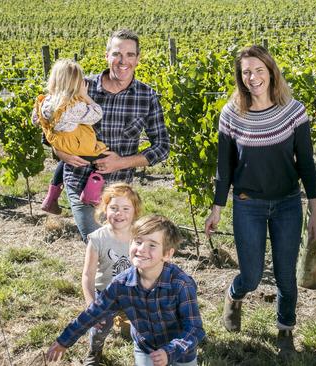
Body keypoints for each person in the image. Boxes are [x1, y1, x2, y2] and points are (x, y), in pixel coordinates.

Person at [203, 45, 316, 357]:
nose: (253, 77)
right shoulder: (231, 114)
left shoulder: (293, 112)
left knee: (286, 276)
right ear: (240, 78)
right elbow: (224, 166)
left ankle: (285, 331)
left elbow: (307, 164)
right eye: (246, 72)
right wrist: (217, 207)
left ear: (271, 71)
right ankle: (235, 293)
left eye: (258, 70)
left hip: (286, 204)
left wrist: (315, 210)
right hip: (248, 204)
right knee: (253, 275)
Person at [54, 29, 169, 240]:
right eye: (116, 54)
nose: (122, 61)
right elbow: (52, 124)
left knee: (119, 254)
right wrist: (59, 152)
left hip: (120, 192)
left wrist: (121, 163)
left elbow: (162, 147)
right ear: (107, 56)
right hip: (80, 183)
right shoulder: (83, 88)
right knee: (97, 247)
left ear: (137, 59)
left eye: (130, 55)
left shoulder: (147, 96)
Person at [46, 215, 205, 366]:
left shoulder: (180, 284)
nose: (141, 249)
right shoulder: (121, 284)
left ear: (167, 254)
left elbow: (194, 328)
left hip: (180, 349)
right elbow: (94, 312)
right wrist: (64, 340)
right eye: (138, 241)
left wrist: (169, 351)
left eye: (152, 245)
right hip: (146, 346)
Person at [32, 59, 108, 214]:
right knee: (102, 155)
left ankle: (51, 196)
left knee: (66, 161)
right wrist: (85, 96)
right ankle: (90, 194)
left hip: (58, 140)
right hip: (75, 143)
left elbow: (35, 120)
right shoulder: (74, 106)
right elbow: (97, 113)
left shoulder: (45, 101)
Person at [80, 183, 142, 365]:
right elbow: (87, 275)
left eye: (125, 208)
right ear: (104, 209)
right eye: (113, 208)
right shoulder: (97, 239)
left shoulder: (140, 237)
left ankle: (147, 351)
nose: (119, 213)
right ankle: (94, 351)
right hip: (105, 294)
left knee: (145, 325)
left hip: (134, 292)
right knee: (100, 327)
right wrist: (92, 305)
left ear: (135, 211)